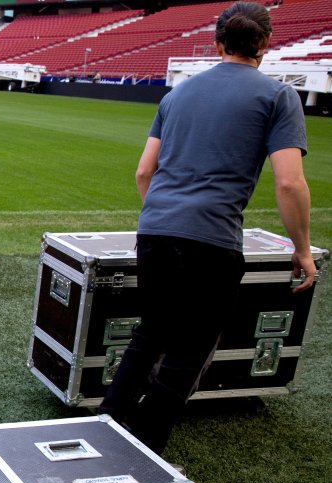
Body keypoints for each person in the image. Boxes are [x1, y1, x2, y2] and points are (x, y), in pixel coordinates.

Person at [99, 2, 315, 455]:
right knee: (189, 350)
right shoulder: (279, 97)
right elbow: (290, 183)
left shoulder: (177, 94)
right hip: (212, 240)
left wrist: (165, 217)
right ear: (265, 42)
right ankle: (143, 451)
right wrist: (302, 249)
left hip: (155, 231)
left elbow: (144, 172)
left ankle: (104, 432)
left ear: (218, 43)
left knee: (149, 335)